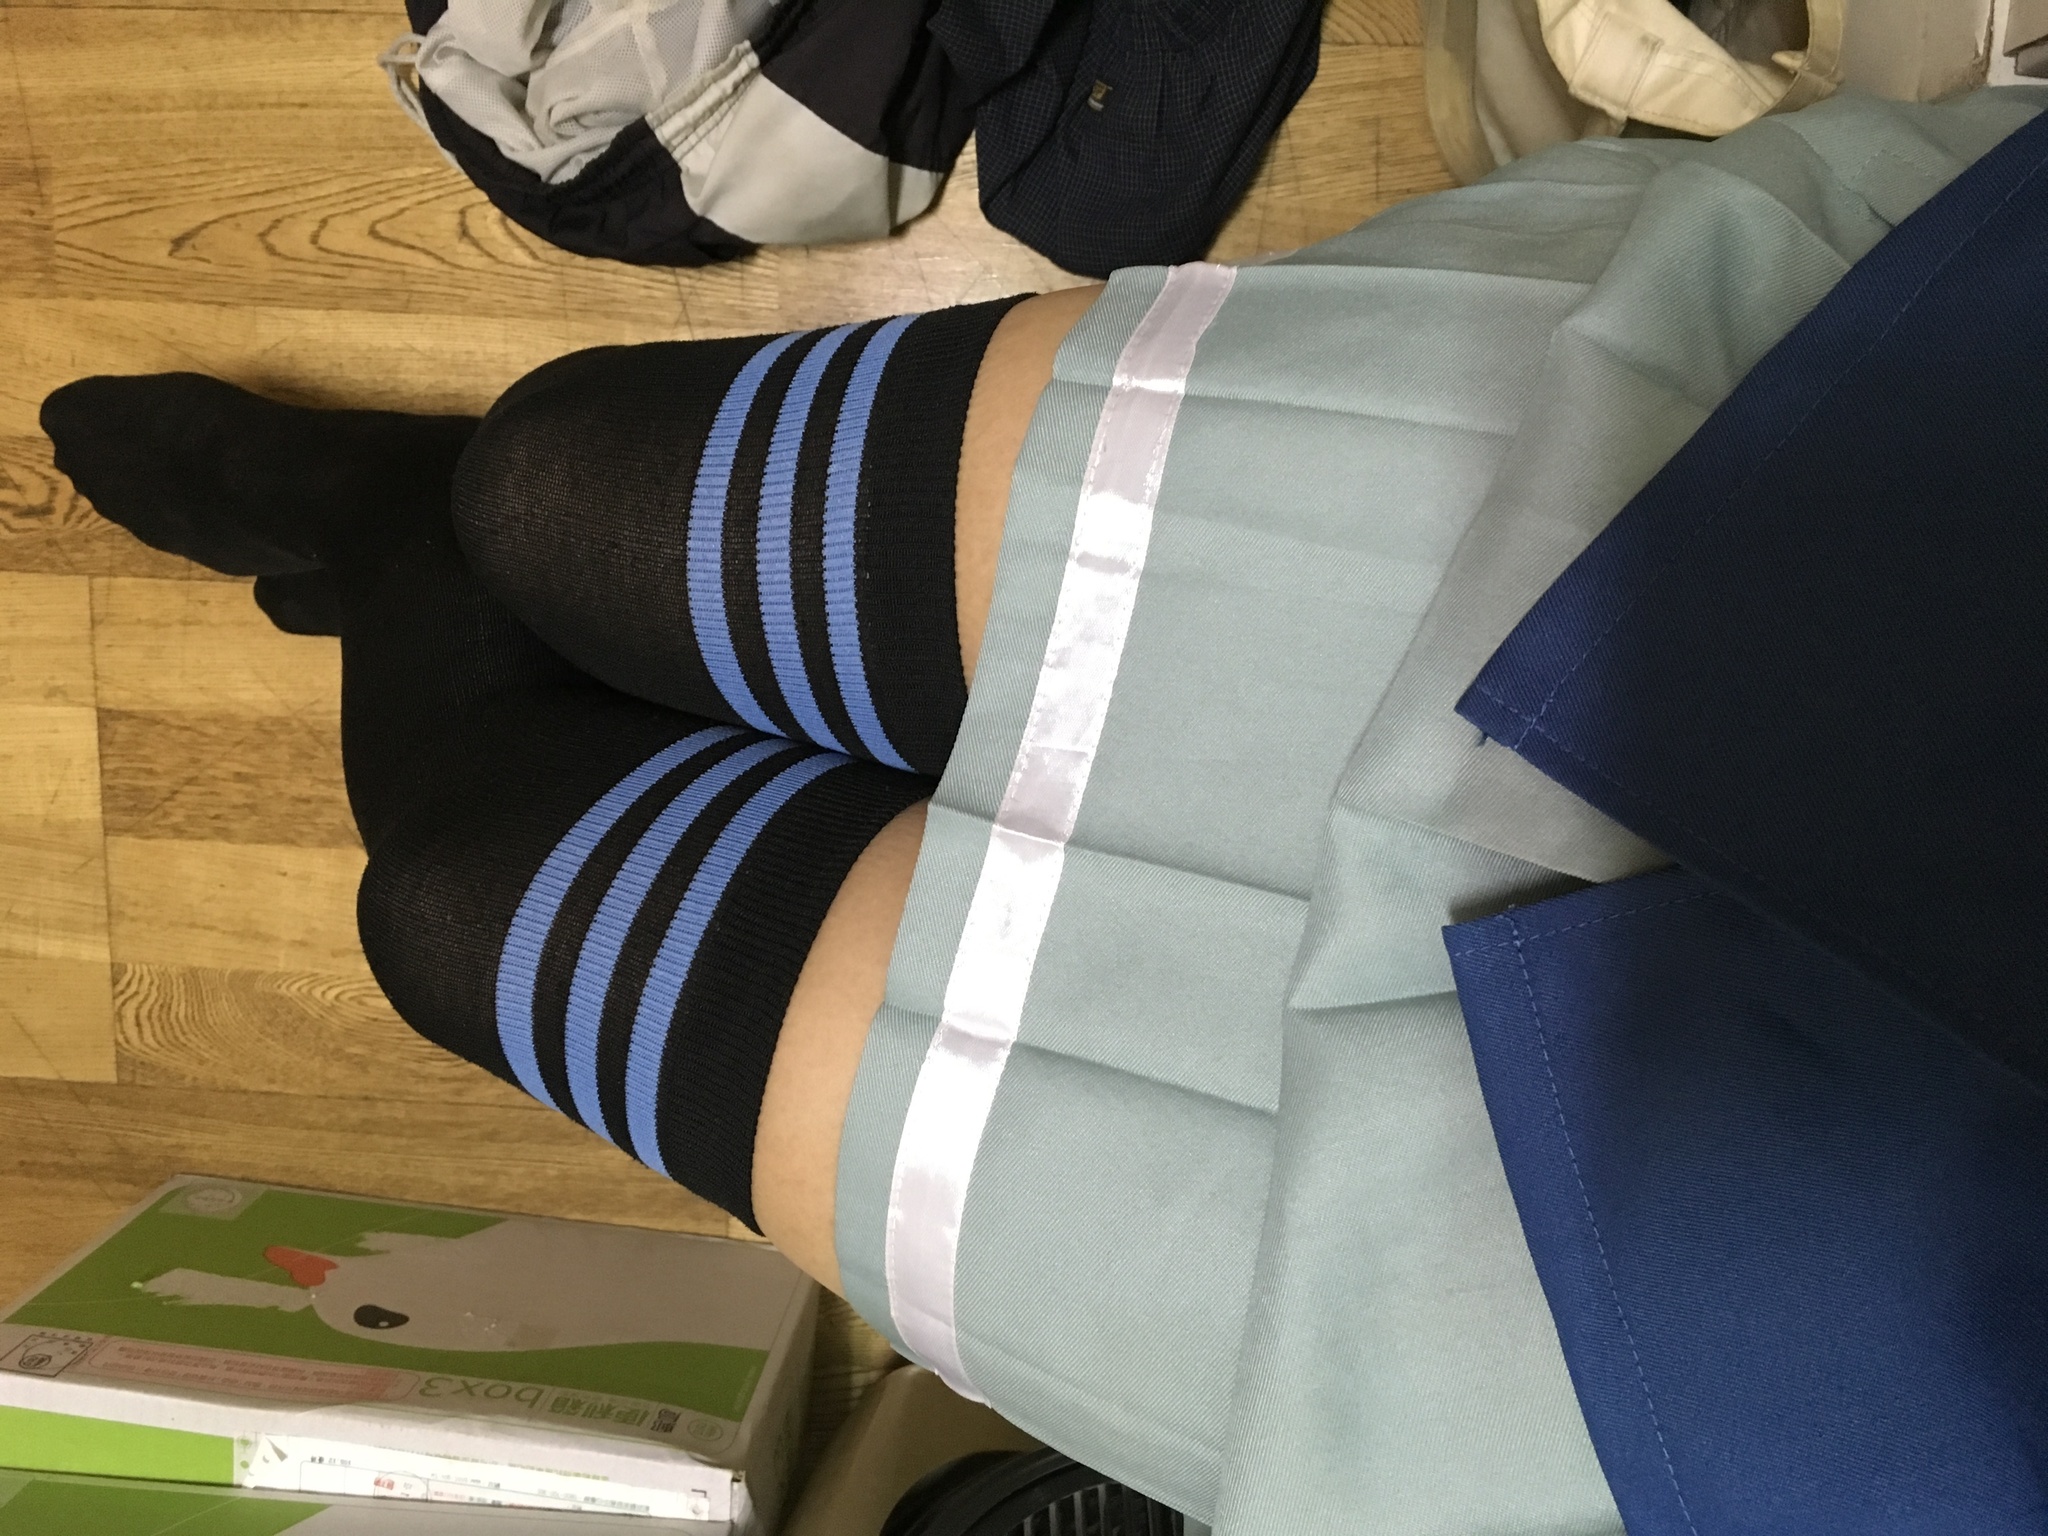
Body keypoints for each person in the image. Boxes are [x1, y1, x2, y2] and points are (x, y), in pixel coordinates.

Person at [38, 85, 2046, 1536]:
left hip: (1642, 1387)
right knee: (566, 488)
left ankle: (389, 548)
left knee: (464, 911)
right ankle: (431, 522)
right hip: (1900, 608)